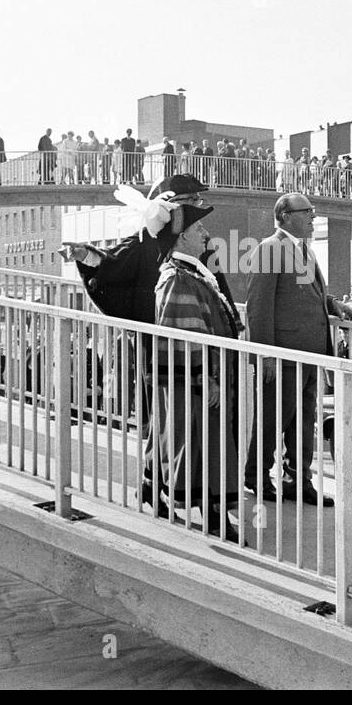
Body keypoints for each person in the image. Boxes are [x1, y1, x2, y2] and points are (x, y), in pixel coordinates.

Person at [60, 174, 236, 517]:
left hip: (194, 346)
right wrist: (89, 257)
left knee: (169, 424)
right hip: (164, 346)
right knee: (176, 422)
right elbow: (112, 268)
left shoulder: (199, 244)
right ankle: (187, 492)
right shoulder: (144, 242)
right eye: (194, 201)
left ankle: (154, 483)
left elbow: (218, 289)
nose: (200, 208)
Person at [244, 193, 352, 506]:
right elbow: (258, 307)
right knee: (273, 419)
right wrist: (265, 354)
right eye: (306, 211)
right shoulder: (269, 250)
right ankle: (256, 476)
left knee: (304, 422)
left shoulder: (304, 250)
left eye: (312, 210)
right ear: (284, 216)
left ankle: (298, 479)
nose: (313, 216)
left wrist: (333, 304)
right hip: (283, 355)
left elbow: (305, 294)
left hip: (310, 354)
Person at [152, 203, 243, 543]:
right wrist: (204, 376)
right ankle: (215, 520)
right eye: (199, 229)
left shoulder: (188, 273)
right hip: (198, 384)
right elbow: (185, 333)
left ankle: (215, 517)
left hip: (207, 379)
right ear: (183, 236)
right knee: (205, 449)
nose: (206, 234)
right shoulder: (178, 279)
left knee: (210, 448)